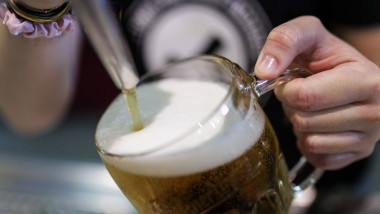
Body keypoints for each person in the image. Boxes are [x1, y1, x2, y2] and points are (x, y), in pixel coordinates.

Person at [0, 0, 379, 173]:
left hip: (307, 171)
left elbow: (368, 59)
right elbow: (31, 116)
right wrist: (37, 6)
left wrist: (361, 104)